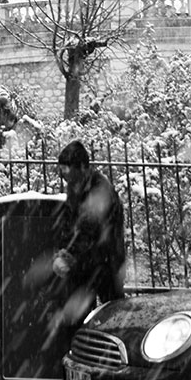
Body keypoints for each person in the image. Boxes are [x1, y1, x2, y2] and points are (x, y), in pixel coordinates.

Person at [52, 139, 126, 345]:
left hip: (105, 263)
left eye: (69, 173)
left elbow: (87, 228)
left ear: (83, 168)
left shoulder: (100, 190)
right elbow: (68, 223)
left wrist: (69, 256)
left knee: (114, 317)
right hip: (85, 265)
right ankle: (79, 361)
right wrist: (61, 251)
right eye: (63, 174)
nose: (66, 180)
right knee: (76, 320)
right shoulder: (75, 188)